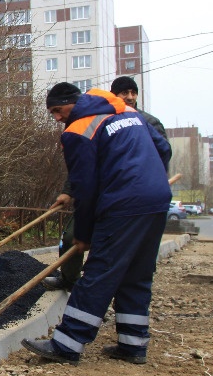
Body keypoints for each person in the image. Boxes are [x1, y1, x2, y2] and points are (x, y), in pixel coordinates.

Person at [22, 82, 171, 365]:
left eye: (58, 110)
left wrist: (84, 233)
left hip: (123, 204)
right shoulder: (128, 113)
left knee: (99, 273)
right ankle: (133, 345)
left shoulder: (78, 131)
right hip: (156, 200)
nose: (57, 117)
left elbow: (86, 187)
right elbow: (163, 148)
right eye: (52, 113)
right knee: (136, 273)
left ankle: (67, 344)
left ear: (73, 102)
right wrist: (151, 179)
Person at [44, 76, 170, 291]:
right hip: (113, 197)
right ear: (113, 96)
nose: (129, 97)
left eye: (133, 92)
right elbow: (83, 169)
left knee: (107, 264)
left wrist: (151, 179)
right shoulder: (93, 121)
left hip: (122, 201)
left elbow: (162, 151)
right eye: (124, 93)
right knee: (73, 237)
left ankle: (91, 299)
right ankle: (71, 280)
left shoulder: (144, 120)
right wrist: (68, 191)